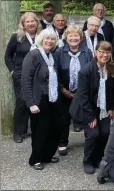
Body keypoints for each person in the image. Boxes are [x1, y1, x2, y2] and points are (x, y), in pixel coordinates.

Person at [69, 41, 114, 174]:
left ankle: (98, 158)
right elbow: (82, 96)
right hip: (87, 109)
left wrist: (111, 108)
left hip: (103, 108)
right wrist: (90, 117)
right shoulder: (86, 71)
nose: (105, 55)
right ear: (96, 52)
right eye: (102, 51)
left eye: (108, 52)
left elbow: (112, 92)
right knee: (93, 134)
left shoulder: (111, 69)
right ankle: (87, 161)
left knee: (105, 133)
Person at [21, 28, 61, 170]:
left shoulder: (52, 56)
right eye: (47, 39)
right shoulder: (34, 55)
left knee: (55, 128)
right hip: (39, 99)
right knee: (40, 130)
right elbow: (26, 80)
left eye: (52, 39)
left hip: (52, 97)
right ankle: (36, 159)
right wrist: (31, 103)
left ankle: (47, 156)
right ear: (41, 40)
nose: (49, 41)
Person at [55, 25, 93, 155]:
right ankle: (62, 142)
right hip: (64, 91)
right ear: (66, 37)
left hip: (82, 92)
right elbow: (55, 72)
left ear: (81, 38)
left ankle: (90, 141)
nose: (73, 38)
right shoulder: (59, 52)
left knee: (86, 116)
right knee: (63, 118)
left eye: (76, 35)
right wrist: (62, 89)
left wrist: (81, 92)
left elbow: (91, 73)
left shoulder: (87, 52)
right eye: (70, 35)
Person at [5, 12, 42, 143]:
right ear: (23, 24)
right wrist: (13, 71)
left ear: (37, 23)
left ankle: (36, 130)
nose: (31, 23)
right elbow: (8, 55)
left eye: (33, 21)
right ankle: (19, 132)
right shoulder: (17, 37)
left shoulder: (42, 37)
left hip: (38, 75)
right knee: (22, 102)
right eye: (27, 21)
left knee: (36, 101)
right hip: (20, 74)